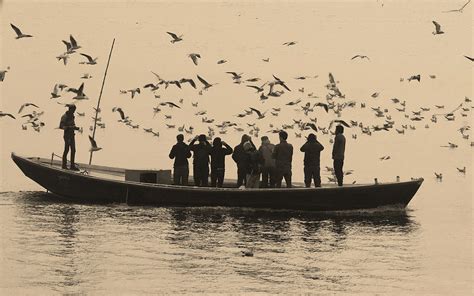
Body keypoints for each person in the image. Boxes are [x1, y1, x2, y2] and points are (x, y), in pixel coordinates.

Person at [59, 104, 80, 170]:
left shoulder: (72, 116)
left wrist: (75, 128)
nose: (74, 111)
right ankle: (64, 165)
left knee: (73, 150)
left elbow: (72, 125)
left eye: (74, 110)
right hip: (67, 135)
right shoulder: (64, 116)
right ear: (70, 109)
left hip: (72, 135)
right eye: (73, 110)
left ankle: (72, 166)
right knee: (67, 149)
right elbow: (61, 126)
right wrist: (70, 127)